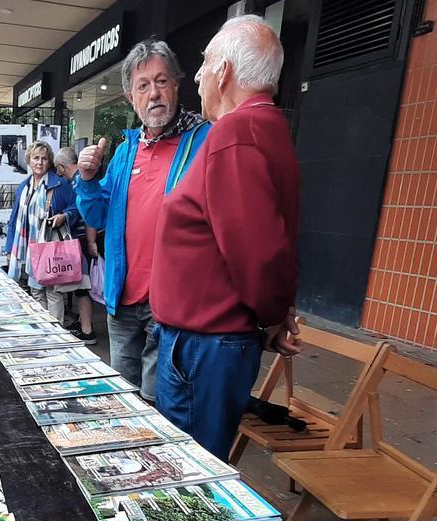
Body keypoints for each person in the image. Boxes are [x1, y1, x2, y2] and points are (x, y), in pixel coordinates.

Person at [150, 15, 302, 461]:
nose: (197, 76)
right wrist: (273, 315)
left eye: (204, 63)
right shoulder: (260, 128)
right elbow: (266, 236)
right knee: (192, 467)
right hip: (210, 341)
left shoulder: (237, 132)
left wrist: (272, 315)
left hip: (205, 344)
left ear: (224, 72)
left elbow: (257, 251)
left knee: (187, 472)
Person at [75, 39, 211, 401]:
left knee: (158, 404)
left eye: (162, 81)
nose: (154, 94)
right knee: (123, 400)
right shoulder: (126, 150)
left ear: (177, 86)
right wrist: (87, 181)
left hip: (170, 305)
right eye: (143, 85)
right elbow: (99, 213)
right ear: (130, 97)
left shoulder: (204, 141)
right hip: (123, 300)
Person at [5, 141, 85, 322]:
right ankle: (43, 328)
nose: (40, 162)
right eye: (36, 158)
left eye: (44, 159)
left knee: (52, 291)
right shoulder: (23, 187)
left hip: (51, 246)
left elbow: (77, 206)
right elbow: (14, 219)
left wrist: (65, 216)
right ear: (29, 161)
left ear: (49, 162)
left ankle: (57, 332)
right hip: (30, 247)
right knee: (35, 290)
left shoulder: (60, 184)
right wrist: (10, 249)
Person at [54, 146, 98, 345]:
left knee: (82, 287)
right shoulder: (81, 179)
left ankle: (87, 330)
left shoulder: (79, 182)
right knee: (82, 286)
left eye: (57, 169)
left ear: (62, 167)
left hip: (81, 241)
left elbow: (90, 216)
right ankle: (83, 323)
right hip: (81, 241)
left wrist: (90, 241)